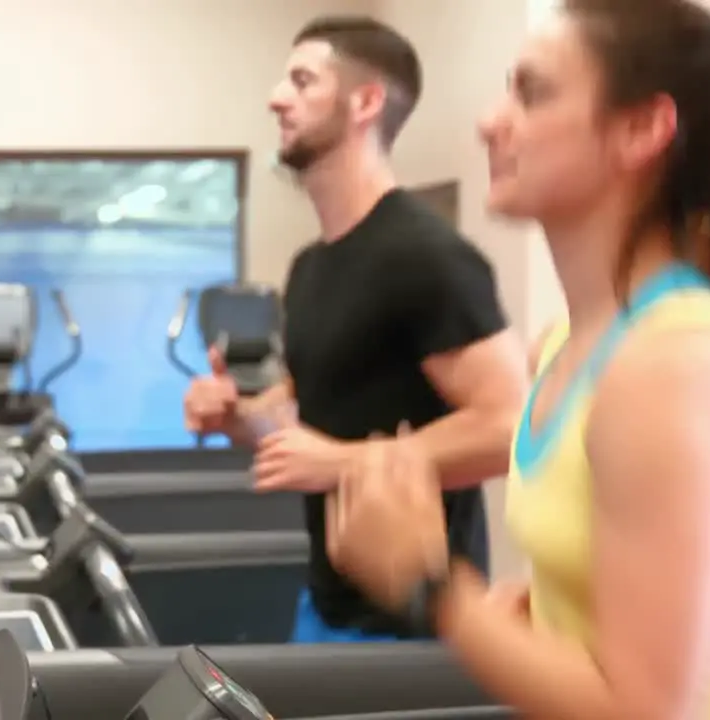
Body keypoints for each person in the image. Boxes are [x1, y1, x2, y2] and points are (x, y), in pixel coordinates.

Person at [328, 0, 710, 716]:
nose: (489, 121)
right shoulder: (562, 346)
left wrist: (433, 586)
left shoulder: (668, 362)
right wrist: (527, 620)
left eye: (531, 92)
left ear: (640, 130)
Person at [182, 16, 529, 644]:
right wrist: (236, 415)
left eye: (302, 81)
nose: (275, 97)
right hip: (328, 601)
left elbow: (512, 427)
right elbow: (307, 405)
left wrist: (343, 463)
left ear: (365, 102)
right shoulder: (312, 265)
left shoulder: (426, 256)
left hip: (414, 620)